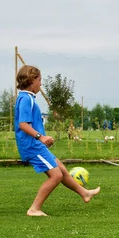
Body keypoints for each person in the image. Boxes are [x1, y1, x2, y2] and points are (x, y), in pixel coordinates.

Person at [15, 65, 100, 216]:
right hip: (32, 146)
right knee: (56, 175)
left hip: (35, 144)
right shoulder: (26, 99)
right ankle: (34, 209)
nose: (41, 84)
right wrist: (41, 137)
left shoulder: (27, 98)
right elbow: (23, 124)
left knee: (60, 168)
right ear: (31, 80)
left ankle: (84, 193)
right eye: (39, 80)